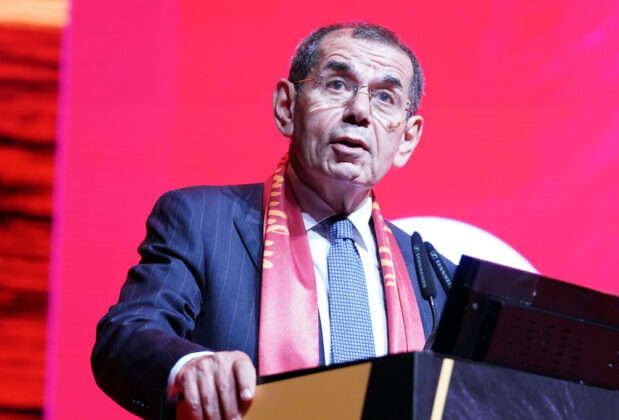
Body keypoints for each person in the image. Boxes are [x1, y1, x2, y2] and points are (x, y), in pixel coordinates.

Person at [92, 22, 453, 420]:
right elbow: (128, 333)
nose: (360, 112)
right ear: (286, 107)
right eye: (337, 85)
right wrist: (189, 367)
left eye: (385, 97)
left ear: (407, 139)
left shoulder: (438, 280)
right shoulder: (203, 221)